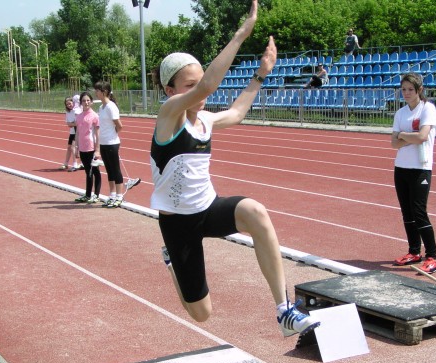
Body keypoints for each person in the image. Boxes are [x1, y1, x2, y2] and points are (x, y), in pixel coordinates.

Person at [150, 0, 320, 337]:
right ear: (171, 91)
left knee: (256, 212)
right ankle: (173, 259)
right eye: (189, 86)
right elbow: (209, 87)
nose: (198, 90)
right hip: (178, 224)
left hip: (208, 208)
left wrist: (260, 75)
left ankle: (283, 309)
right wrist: (241, 35)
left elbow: (238, 112)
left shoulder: (207, 121)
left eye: (198, 82)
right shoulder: (169, 117)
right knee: (201, 314)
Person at [391, 73, 436, 274]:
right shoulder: (400, 113)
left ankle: (432, 256)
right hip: (401, 167)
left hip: (420, 168)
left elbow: (422, 136)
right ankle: (414, 251)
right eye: (403, 89)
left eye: (410, 89)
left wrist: (403, 135)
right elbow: (394, 144)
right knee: (407, 213)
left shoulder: (427, 109)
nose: (406, 93)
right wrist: (406, 137)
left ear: (419, 90)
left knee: (419, 213)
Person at [94, 80, 141, 208]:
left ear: (104, 92)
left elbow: (119, 126)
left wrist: (112, 134)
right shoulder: (101, 107)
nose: (95, 92)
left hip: (112, 143)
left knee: (115, 170)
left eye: (97, 90)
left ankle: (119, 196)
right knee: (109, 170)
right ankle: (112, 195)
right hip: (104, 142)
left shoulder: (111, 107)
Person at [74, 91, 102, 203]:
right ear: (80, 102)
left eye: (88, 100)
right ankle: (87, 194)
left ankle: (96, 194)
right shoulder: (79, 116)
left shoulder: (95, 116)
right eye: (84, 101)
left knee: (95, 171)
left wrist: (97, 150)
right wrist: (76, 147)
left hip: (91, 148)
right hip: (82, 148)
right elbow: (77, 133)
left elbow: (97, 134)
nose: (86, 102)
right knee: (87, 172)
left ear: (91, 102)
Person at [61, 97, 82, 171]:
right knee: (69, 147)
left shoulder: (76, 111)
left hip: (77, 131)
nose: (69, 105)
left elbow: (77, 123)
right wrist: (72, 124)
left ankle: (75, 164)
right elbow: (68, 123)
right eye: (67, 104)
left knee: (73, 147)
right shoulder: (68, 112)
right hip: (72, 132)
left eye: (70, 103)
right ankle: (66, 163)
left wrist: (72, 124)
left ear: (73, 103)